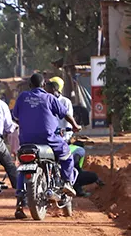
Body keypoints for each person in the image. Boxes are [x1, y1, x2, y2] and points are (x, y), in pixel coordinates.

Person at [12, 73, 80, 219]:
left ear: (29, 86)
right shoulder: (50, 98)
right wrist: (75, 125)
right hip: (48, 139)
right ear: (44, 86)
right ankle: (67, 182)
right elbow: (65, 114)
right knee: (67, 155)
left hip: (26, 140)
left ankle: (19, 204)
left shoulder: (23, 97)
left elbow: (15, 117)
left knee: (22, 168)